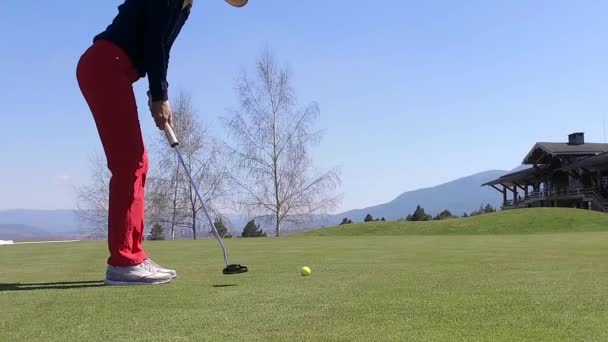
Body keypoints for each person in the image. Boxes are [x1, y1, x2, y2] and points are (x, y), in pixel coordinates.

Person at [76, 0, 194, 286]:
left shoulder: (185, 6)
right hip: (105, 66)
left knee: (137, 161)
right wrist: (159, 96)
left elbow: (161, 50)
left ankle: (134, 255)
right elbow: (154, 39)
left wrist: (158, 93)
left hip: (112, 69)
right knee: (130, 162)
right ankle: (124, 261)